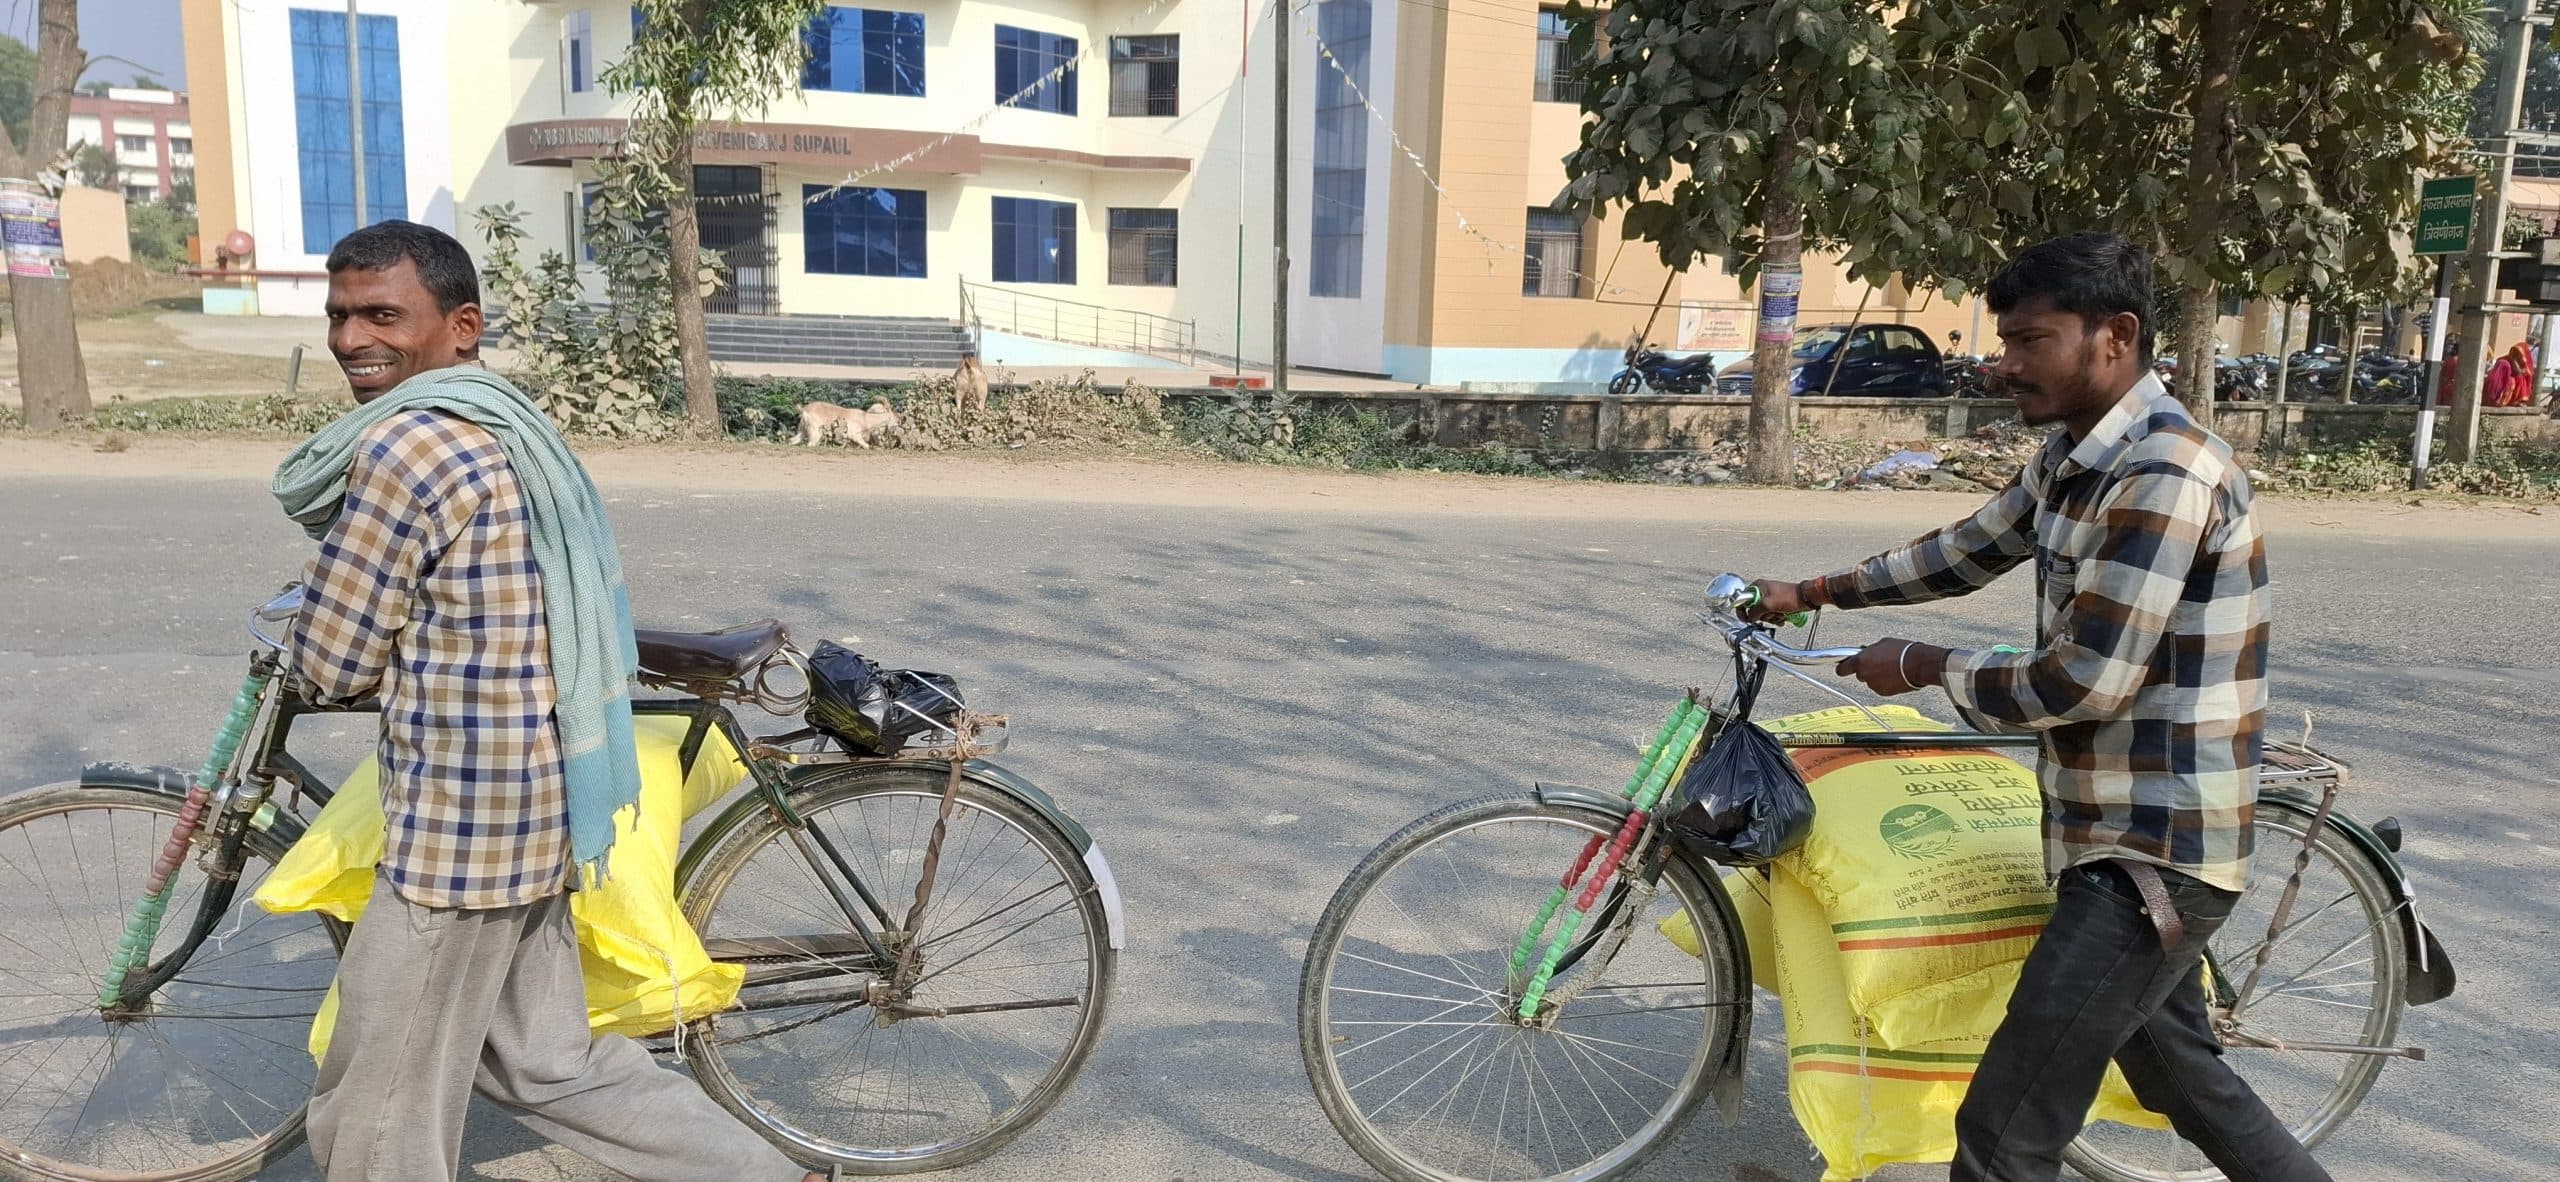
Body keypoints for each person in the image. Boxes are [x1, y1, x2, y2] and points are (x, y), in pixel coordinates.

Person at [1748, 233, 2328, 1182]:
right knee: (2182, 1079)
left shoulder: (2165, 473)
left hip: (2154, 848)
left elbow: (2082, 680)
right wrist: (1815, 591)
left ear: (2115, 337)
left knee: (2007, 1130)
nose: (2005, 364)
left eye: (2031, 341)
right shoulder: (2075, 457)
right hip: (2105, 827)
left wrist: (1925, 665)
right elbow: (1967, 550)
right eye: (2006, 340)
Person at [273, 220, 827, 1182]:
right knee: (546, 1063)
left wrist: (324, 636)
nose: (352, 338)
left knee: (377, 1106)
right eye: (339, 315)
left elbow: (333, 660)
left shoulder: (408, 444)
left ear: (461, 325)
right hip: (539, 803)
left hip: (458, 831)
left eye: (382, 315)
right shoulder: (504, 422)